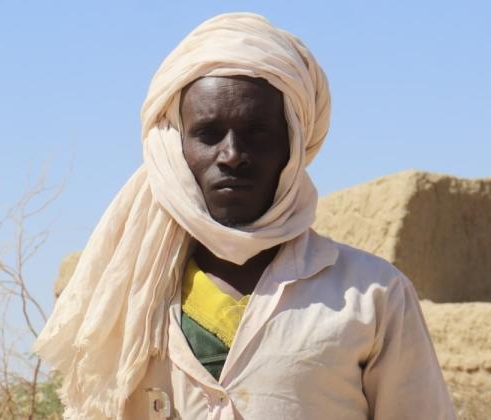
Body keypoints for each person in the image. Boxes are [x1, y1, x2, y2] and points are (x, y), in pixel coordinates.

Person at [35, 13, 456, 419]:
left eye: (257, 133)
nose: (232, 155)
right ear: (175, 148)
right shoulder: (129, 295)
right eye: (209, 134)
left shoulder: (373, 296)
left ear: (291, 146)